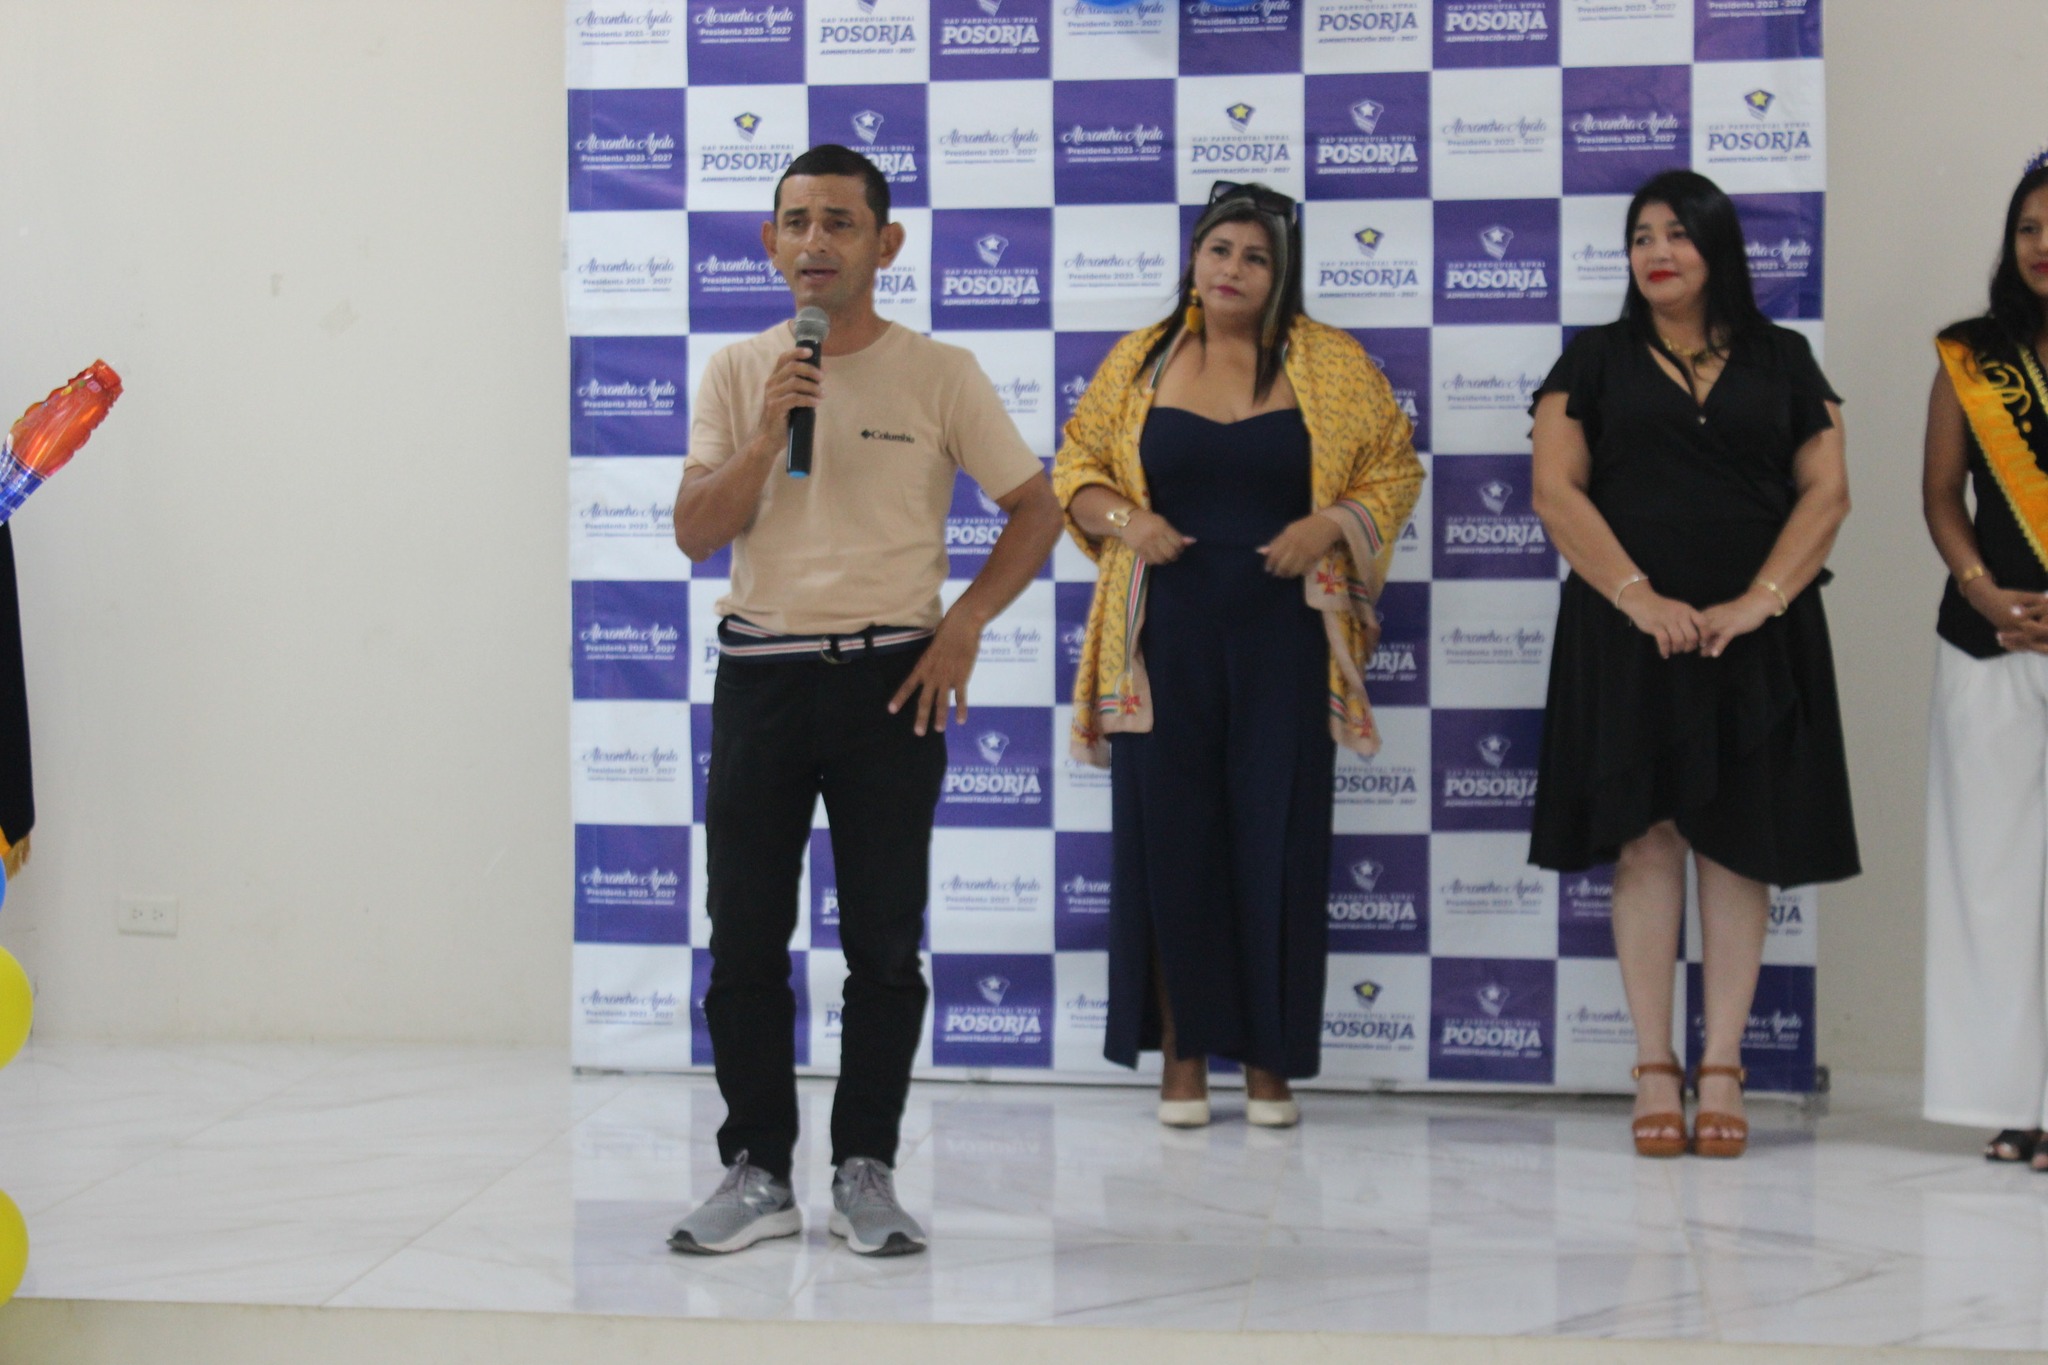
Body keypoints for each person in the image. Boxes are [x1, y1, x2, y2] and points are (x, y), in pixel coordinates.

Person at [666, 144, 1063, 1254]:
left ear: (885, 244)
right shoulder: (740, 370)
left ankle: (864, 1170)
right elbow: (695, 532)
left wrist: (964, 624)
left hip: (892, 681)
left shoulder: (940, 372)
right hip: (761, 678)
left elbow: (1035, 508)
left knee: (883, 943)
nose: (815, 242)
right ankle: (757, 1170)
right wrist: (767, 431)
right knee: (745, 935)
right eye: (796, 222)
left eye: (839, 222)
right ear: (769, 243)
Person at [1054, 180, 1422, 1129]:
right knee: (1169, 844)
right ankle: (1182, 1061)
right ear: (1194, 258)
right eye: (1219, 249)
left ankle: (1269, 1063)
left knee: (1280, 843)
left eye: (1256, 257)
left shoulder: (1330, 363)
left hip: (1284, 637)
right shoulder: (1140, 360)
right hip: (1159, 637)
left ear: (1280, 273)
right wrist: (1128, 521)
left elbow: (1394, 466)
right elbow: (1076, 469)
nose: (1233, 269)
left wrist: (1327, 524)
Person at [1527, 169, 1858, 1160]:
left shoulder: (1783, 357)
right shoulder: (1591, 358)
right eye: (1640, 236)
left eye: (1676, 233)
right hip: (1627, 633)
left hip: (1753, 635)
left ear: (1717, 247)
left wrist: (1759, 601)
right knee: (1645, 839)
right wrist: (1638, 597)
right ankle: (1651, 1067)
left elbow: (1828, 492)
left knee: (1739, 839)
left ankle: (1721, 1065)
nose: (1656, 251)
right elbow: (1554, 491)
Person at [1920, 160, 2048, 1169]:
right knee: (1994, 879)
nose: (2041, 245)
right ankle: (2010, 1098)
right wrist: (1979, 588)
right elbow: (1940, 495)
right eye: (2028, 227)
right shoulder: (1971, 354)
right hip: (1988, 641)